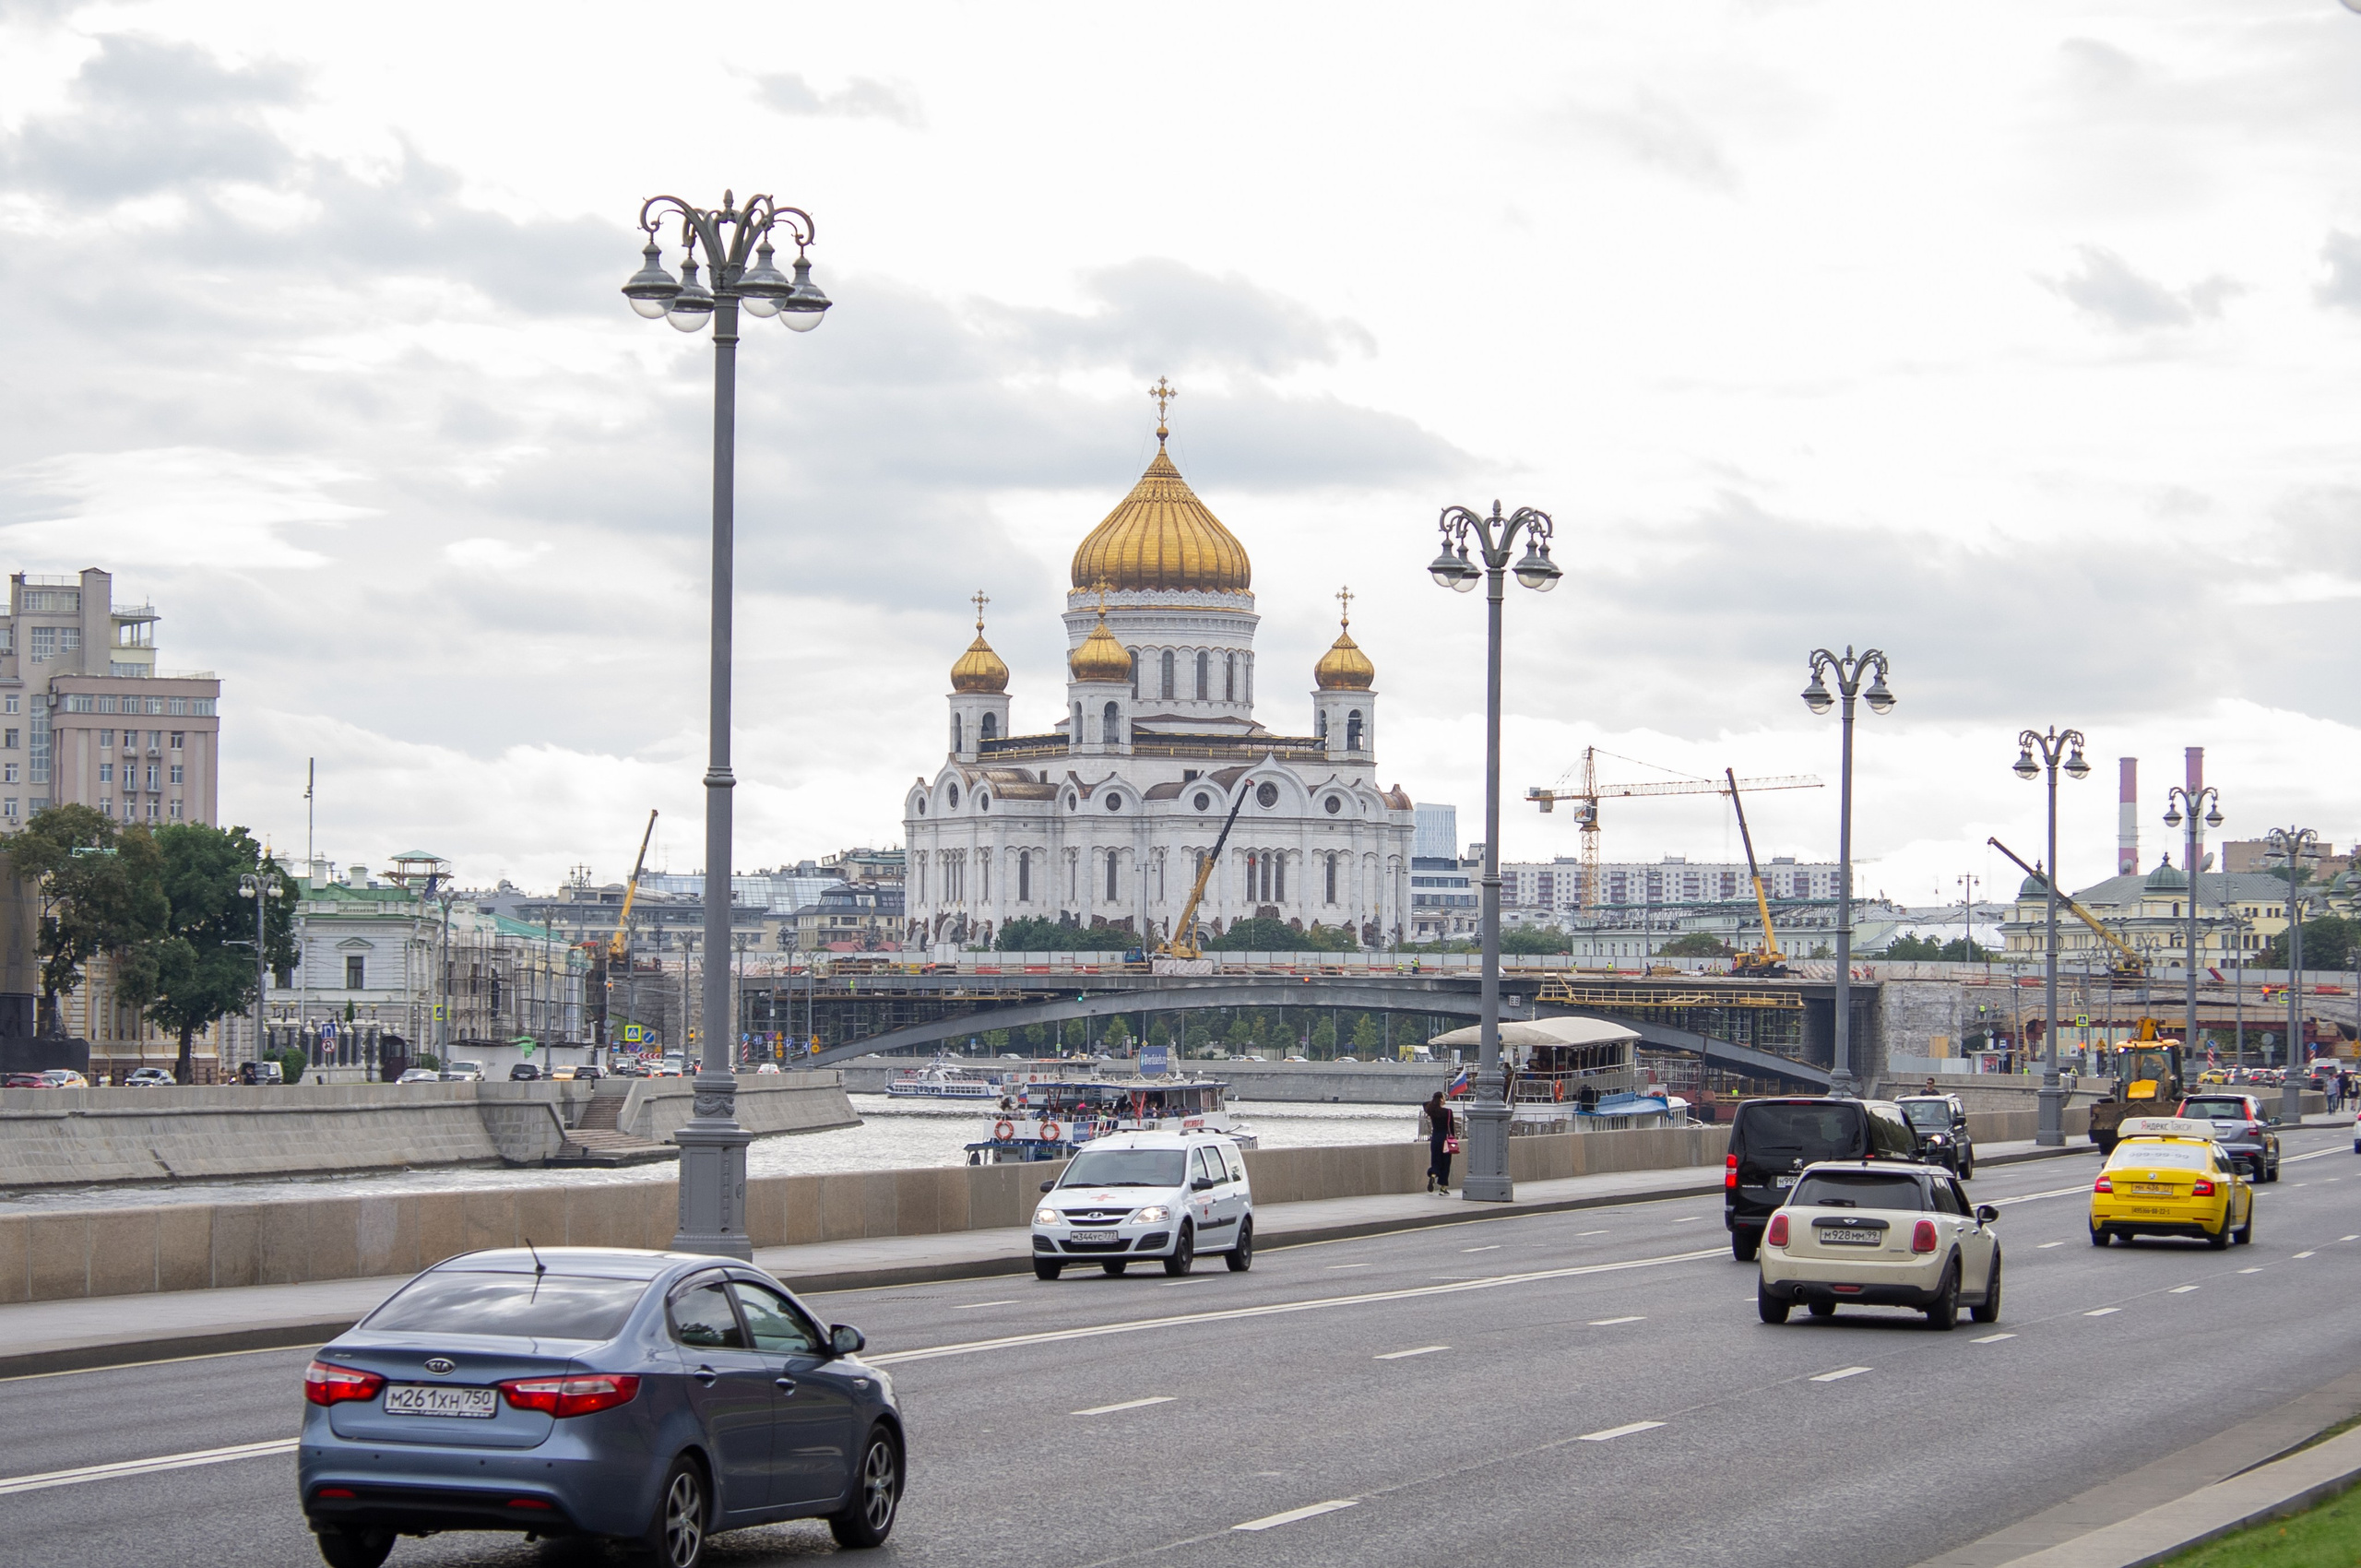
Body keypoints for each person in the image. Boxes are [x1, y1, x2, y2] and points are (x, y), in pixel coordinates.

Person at [1424, 1090, 1455, 1195]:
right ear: (1441, 1099)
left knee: (1436, 1161)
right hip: (1445, 1140)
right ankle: (1443, 1188)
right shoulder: (1448, 1112)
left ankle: (1433, 1175)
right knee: (1446, 1163)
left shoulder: (1431, 1110)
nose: (1445, 1099)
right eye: (1444, 1097)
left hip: (1435, 1139)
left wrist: (1436, 1100)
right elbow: (1451, 1129)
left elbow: (1424, 1104)